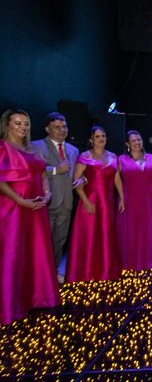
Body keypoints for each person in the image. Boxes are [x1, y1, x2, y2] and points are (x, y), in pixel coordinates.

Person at [0, 109, 60, 325]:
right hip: (14, 210)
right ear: (7, 124)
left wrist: (47, 193)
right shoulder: (2, 148)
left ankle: (37, 297)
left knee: (35, 252)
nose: (23, 127)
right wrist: (20, 201)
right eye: (18, 123)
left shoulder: (33, 149)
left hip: (36, 208)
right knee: (13, 255)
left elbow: (42, 174)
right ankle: (10, 305)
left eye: (25, 123)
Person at [66, 126, 124, 282]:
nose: (101, 139)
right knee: (90, 236)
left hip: (108, 201)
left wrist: (122, 198)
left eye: (103, 135)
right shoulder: (84, 156)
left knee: (106, 234)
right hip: (90, 200)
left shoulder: (113, 156)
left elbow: (117, 178)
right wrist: (85, 200)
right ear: (91, 139)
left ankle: (105, 271)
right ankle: (87, 273)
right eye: (97, 136)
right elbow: (76, 181)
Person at [32, 112, 81, 281]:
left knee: (60, 240)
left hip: (66, 202)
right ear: (47, 128)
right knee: (41, 241)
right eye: (57, 127)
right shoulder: (36, 146)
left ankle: (51, 273)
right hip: (44, 202)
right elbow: (31, 171)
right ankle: (38, 276)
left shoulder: (73, 150)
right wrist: (55, 170)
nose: (62, 130)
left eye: (64, 126)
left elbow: (76, 173)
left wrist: (83, 179)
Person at [116, 130, 152, 271]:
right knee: (132, 230)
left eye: (139, 140)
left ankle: (149, 261)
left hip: (149, 199)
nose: (137, 142)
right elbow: (116, 178)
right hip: (129, 199)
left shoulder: (151, 157)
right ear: (127, 144)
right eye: (133, 140)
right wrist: (123, 194)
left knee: (148, 229)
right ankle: (132, 263)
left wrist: (145, 185)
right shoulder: (121, 159)